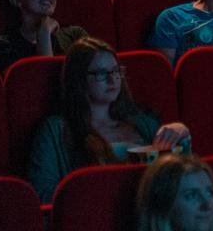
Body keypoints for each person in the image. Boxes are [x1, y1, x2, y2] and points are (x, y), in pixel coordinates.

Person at [25, 37, 190, 201]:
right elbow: (43, 193)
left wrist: (180, 135)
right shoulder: (55, 130)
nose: (112, 80)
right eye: (101, 74)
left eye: (116, 71)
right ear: (79, 79)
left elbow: (180, 176)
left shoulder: (142, 122)